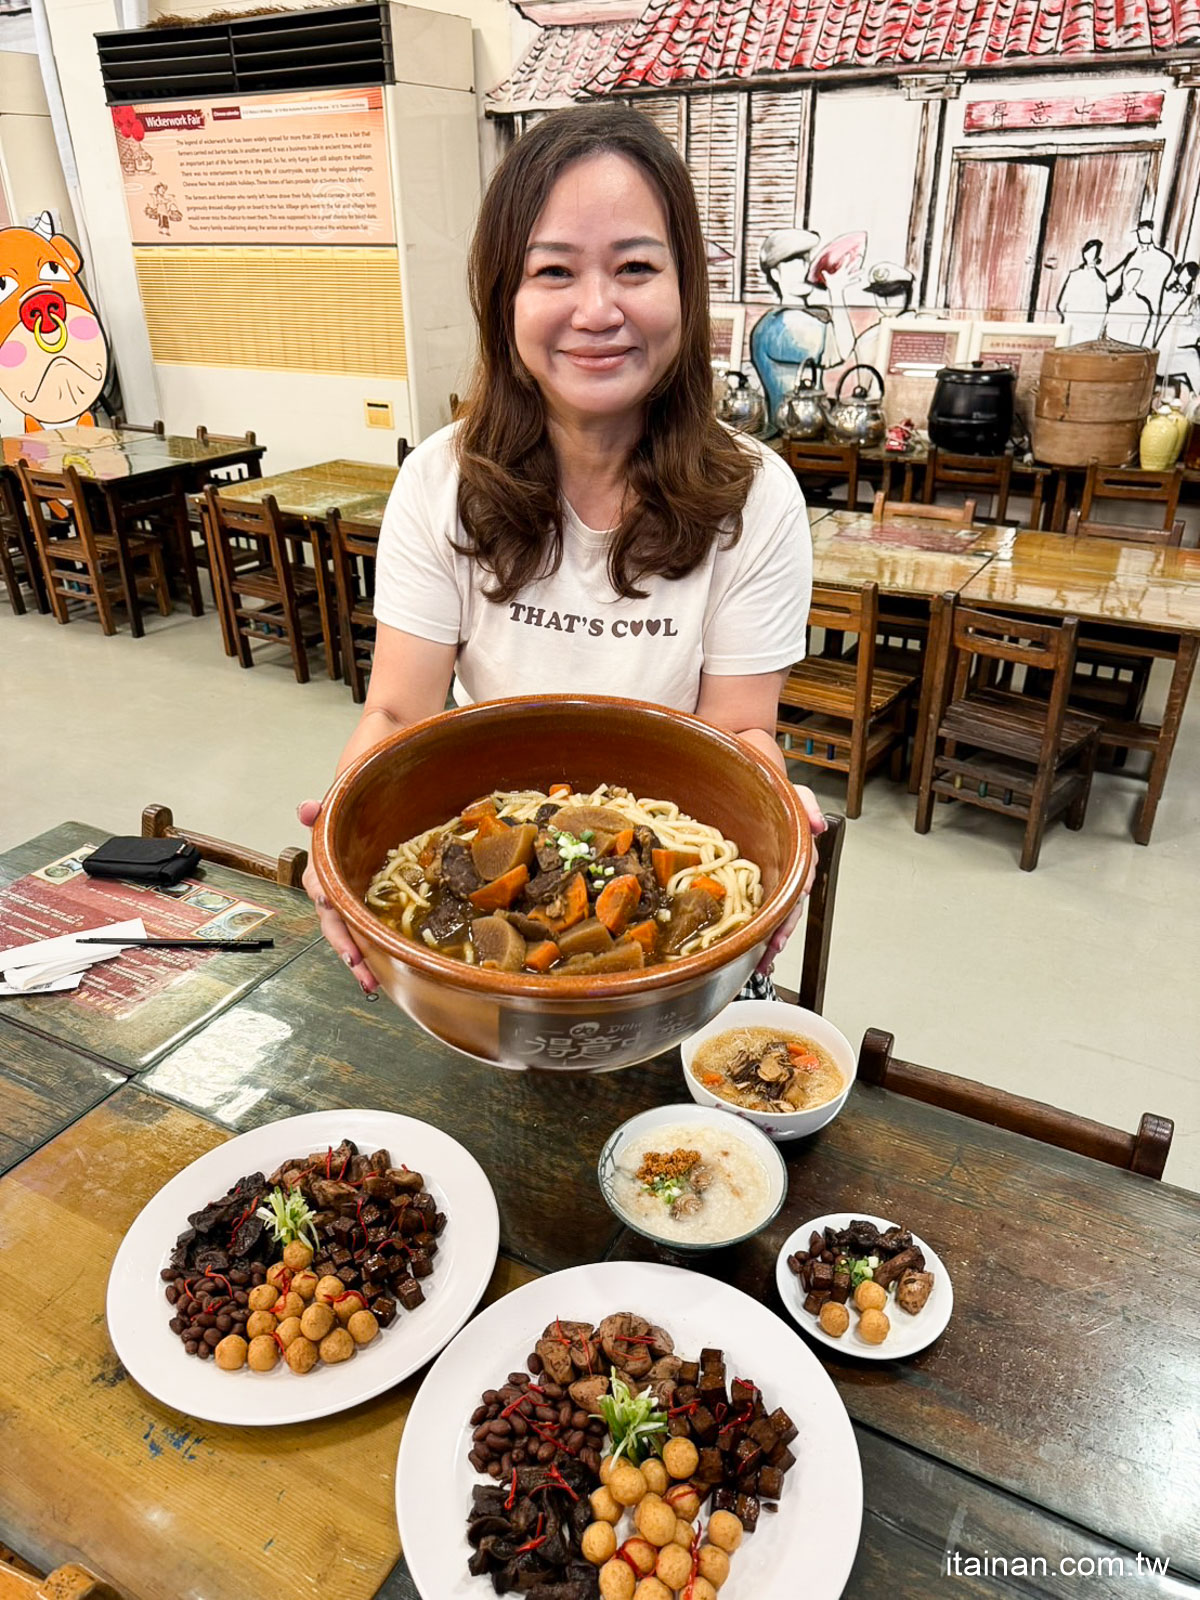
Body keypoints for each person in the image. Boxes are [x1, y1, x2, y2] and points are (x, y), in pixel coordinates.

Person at [299, 104, 823, 996]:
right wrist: (337, 842)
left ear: (685, 289)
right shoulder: (441, 481)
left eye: (635, 267)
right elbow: (395, 717)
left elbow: (738, 732)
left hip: (664, 893)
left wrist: (774, 817)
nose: (597, 310)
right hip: (484, 871)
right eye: (553, 271)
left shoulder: (756, 496)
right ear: (505, 299)